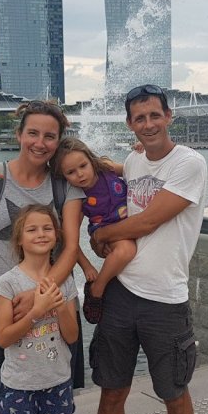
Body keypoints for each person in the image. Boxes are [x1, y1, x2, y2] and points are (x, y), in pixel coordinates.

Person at [88, 84, 207, 414]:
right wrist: (100, 163)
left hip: (165, 299)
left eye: (155, 115)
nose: (149, 124)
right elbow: (115, 172)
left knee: (174, 395)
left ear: (168, 117)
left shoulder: (189, 163)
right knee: (111, 393)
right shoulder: (134, 160)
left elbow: (147, 222)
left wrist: (100, 235)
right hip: (120, 293)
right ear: (130, 124)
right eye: (140, 118)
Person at [0, 100, 86, 414]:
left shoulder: (64, 186)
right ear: (19, 134)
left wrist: (37, 296)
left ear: (58, 140)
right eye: (33, 133)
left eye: (50, 136)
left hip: (55, 309)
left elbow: (71, 248)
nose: (40, 143)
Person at [0, 204, 79, 414]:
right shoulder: (8, 283)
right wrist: (36, 312)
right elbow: (3, 338)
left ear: (56, 236)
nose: (41, 234)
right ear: (19, 239)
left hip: (57, 379)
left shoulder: (65, 280)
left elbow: (72, 336)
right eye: (31, 230)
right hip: (19, 382)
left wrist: (59, 306)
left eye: (47, 228)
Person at [51, 136, 136, 322]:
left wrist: (141, 152)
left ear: (91, 160)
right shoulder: (78, 197)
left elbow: (135, 170)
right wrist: (86, 266)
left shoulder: (106, 167)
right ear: (64, 176)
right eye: (71, 172)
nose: (80, 174)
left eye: (83, 166)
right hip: (108, 231)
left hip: (132, 223)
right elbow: (69, 238)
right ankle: (97, 289)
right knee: (126, 250)